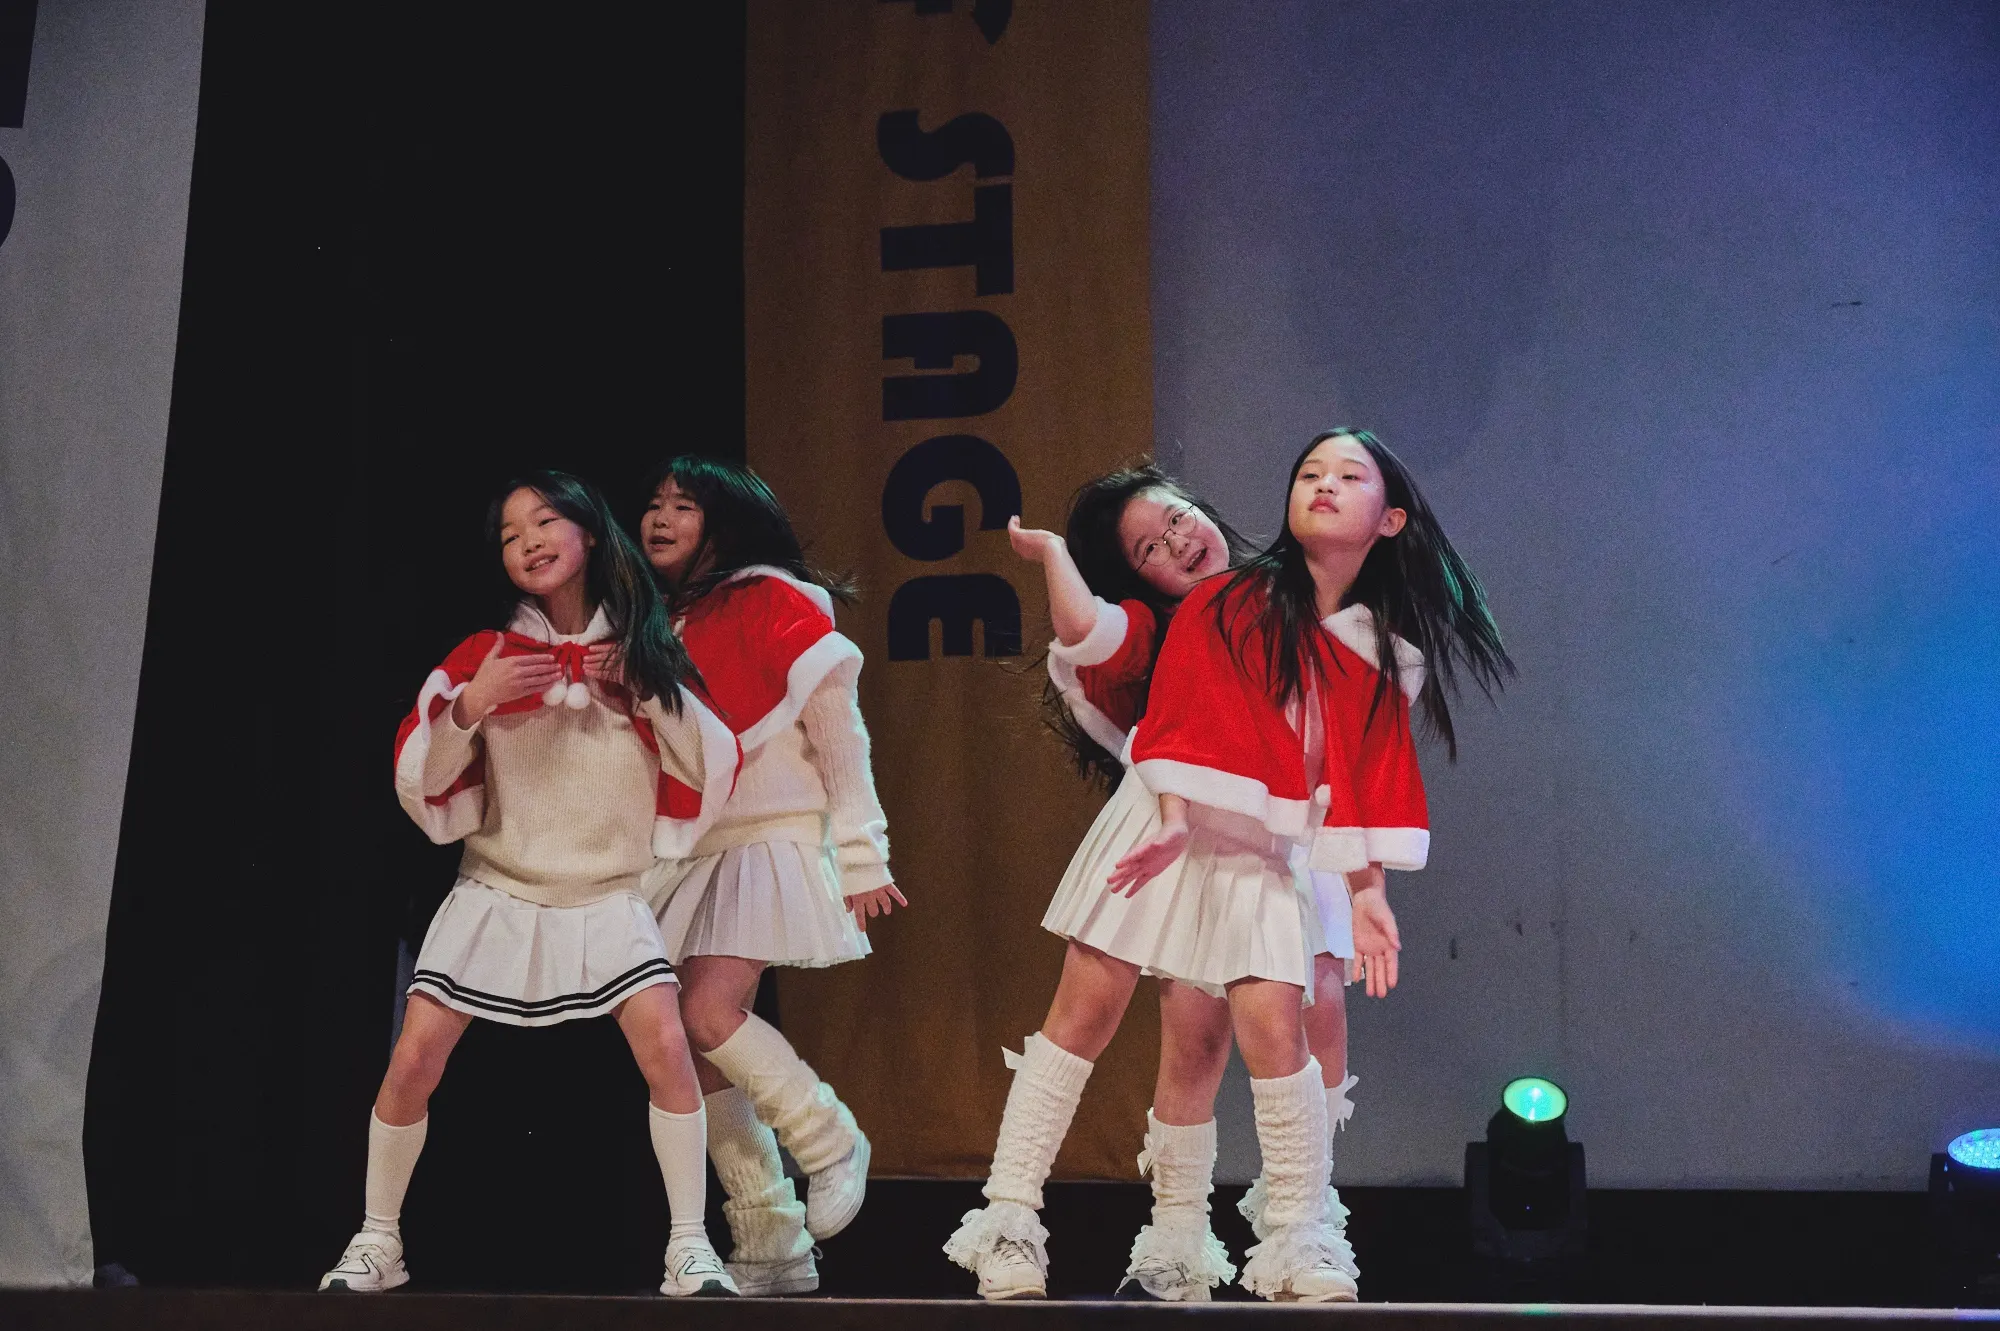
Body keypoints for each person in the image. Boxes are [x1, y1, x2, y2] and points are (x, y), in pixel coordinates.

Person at [319, 472, 742, 1297]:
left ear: (591, 532)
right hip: (498, 888)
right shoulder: (485, 654)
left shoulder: (647, 651)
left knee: (668, 1050)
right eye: (512, 535)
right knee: (414, 1056)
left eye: (545, 521)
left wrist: (648, 693)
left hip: (607, 893)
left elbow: (711, 761)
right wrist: (470, 707)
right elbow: (420, 776)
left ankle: (690, 1245)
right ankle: (377, 1239)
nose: (529, 542)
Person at [948, 463, 1280, 1301]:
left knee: (1200, 1045)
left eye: (1177, 518)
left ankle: (1176, 1243)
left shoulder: (1276, 598)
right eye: (1149, 548)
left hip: (1241, 832)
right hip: (1154, 818)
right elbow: (1085, 630)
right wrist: (1053, 554)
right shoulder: (1149, 625)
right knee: (1082, 1017)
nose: (1178, 541)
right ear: (1140, 579)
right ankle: (1009, 1220)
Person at [637, 456, 903, 1297]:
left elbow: (839, 731)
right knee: (695, 1041)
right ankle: (770, 1239)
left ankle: (830, 1139)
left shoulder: (772, 598)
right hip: (698, 847)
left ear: (727, 522)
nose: (660, 517)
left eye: (684, 505)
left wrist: (861, 852)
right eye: (653, 504)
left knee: (706, 1011)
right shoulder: (663, 623)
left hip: (770, 835)